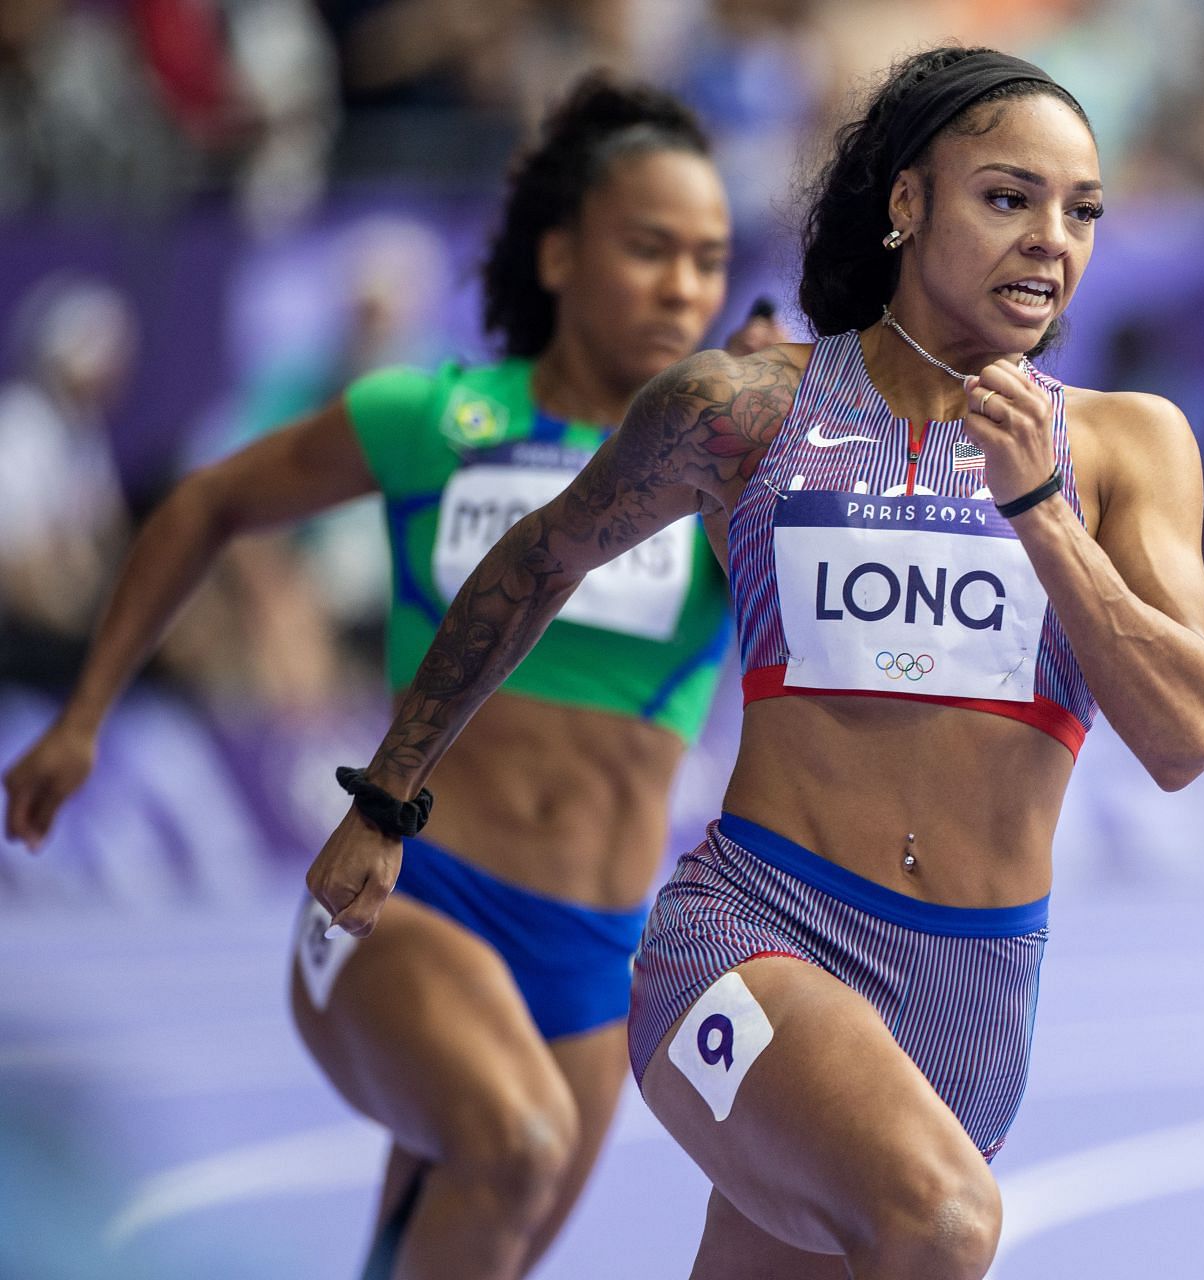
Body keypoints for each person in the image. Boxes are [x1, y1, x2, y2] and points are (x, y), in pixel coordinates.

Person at [303, 46, 1204, 1279]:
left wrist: (1046, 513)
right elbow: (540, 557)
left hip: (978, 995)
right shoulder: (746, 412)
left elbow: (1183, 738)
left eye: (1083, 210)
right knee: (942, 1223)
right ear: (908, 203)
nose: (1051, 239)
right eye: (1010, 197)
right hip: (744, 941)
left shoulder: (1126, 445)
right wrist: (387, 792)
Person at [3, 76, 780, 1279]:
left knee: (455, 1247)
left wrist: (759, 437)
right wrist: (86, 715)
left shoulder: (721, 468)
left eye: (710, 257)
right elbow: (209, 502)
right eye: (649, 248)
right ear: (561, 253)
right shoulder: (441, 415)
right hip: (405, 895)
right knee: (514, 1147)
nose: (685, 285)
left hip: (591, 950)